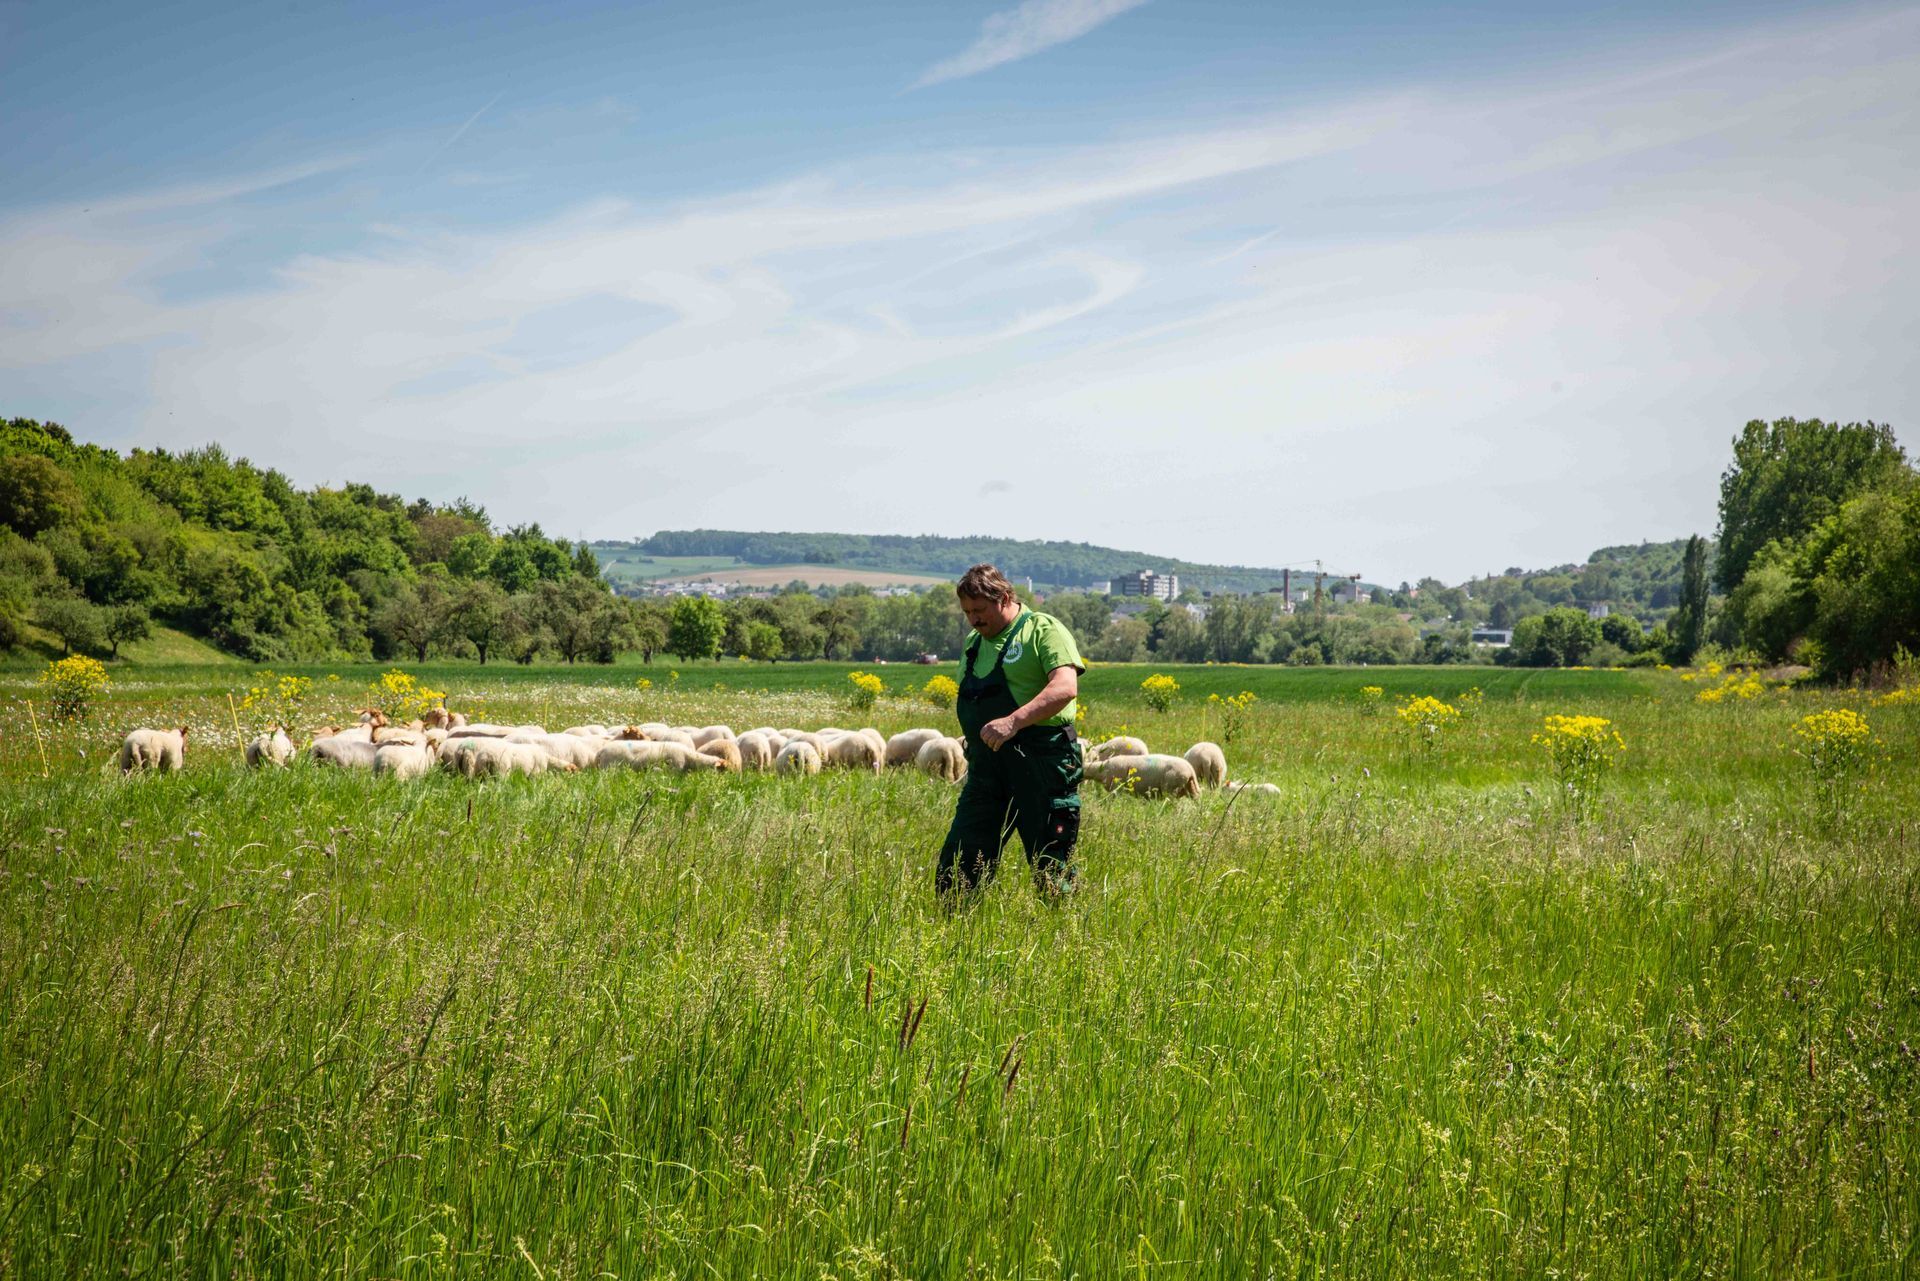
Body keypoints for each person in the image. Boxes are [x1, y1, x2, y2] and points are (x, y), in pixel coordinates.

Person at [938, 563, 1087, 900]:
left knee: (1052, 861)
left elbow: (1064, 687)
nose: (973, 619)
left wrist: (1013, 721)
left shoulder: (1041, 630)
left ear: (1004, 598)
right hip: (988, 770)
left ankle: (1063, 932)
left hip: (1042, 764)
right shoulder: (974, 643)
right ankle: (954, 929)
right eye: (966, 612)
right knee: (961, 857)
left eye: (979, 610)